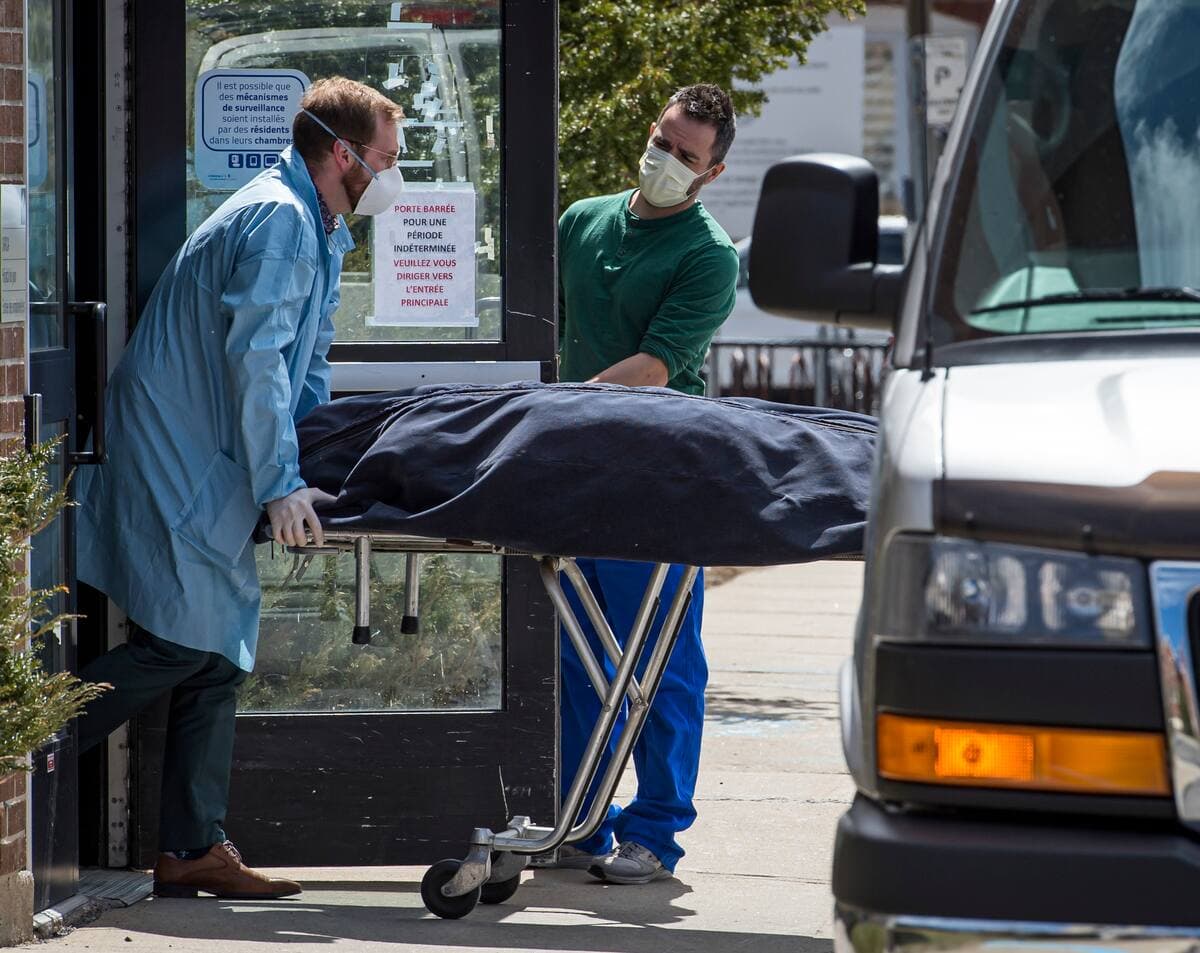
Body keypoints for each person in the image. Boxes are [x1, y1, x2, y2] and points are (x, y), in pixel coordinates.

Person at [72, 77, 405, 900]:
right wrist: (280, 482)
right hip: (176, 447)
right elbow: (254, 363)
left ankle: (191, 847)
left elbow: (308, 363)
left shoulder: (320, 227)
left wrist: (315, 462)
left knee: (217, 655)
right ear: (343, 153)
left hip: (210, 452)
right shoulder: (283, 223)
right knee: (182, 644)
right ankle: (28, 736)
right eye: (387, 160)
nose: (394, 178)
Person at [552, 84, 739, 884]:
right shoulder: (581, 220)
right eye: (663, 139)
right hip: (566, 465)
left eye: (686, 155)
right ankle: (580, 821)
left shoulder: (708, 255)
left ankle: (656, 831)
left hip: (654, 474)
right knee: (576, 652)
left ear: (712, 171)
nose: (665, 158)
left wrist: (564, 405)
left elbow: (658, 367)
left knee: (660, 657)